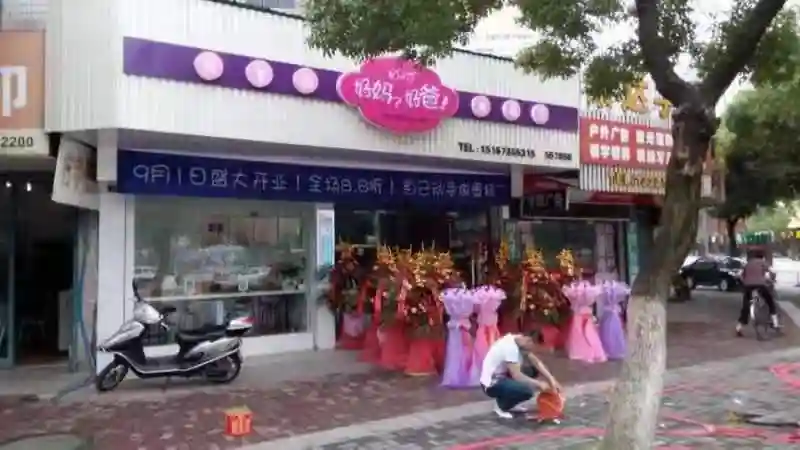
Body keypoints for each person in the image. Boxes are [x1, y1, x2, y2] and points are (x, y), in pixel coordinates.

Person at [479, 332, 562, 419]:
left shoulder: (520, 341)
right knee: (527, 391)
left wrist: (552, 380)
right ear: (529, 341)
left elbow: (536, 362)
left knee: (532, 371)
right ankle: (501, 407)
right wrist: (539, 384)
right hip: (491, 384)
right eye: (533, 349)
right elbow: (517, 375)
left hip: (503, 376)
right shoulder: (510, 348)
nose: (532, 352)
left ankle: (510, 403)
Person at [737, 251, 779, 336]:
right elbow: (771, 273)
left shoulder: (747, 264)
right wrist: (772, 280)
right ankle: (775, 323)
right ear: (762, 257)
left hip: (748, 286)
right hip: (760, 285)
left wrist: (744, 282)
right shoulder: (763, 263)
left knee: (745, 306)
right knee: (770, 301)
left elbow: (739, 275)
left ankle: (739, 327)